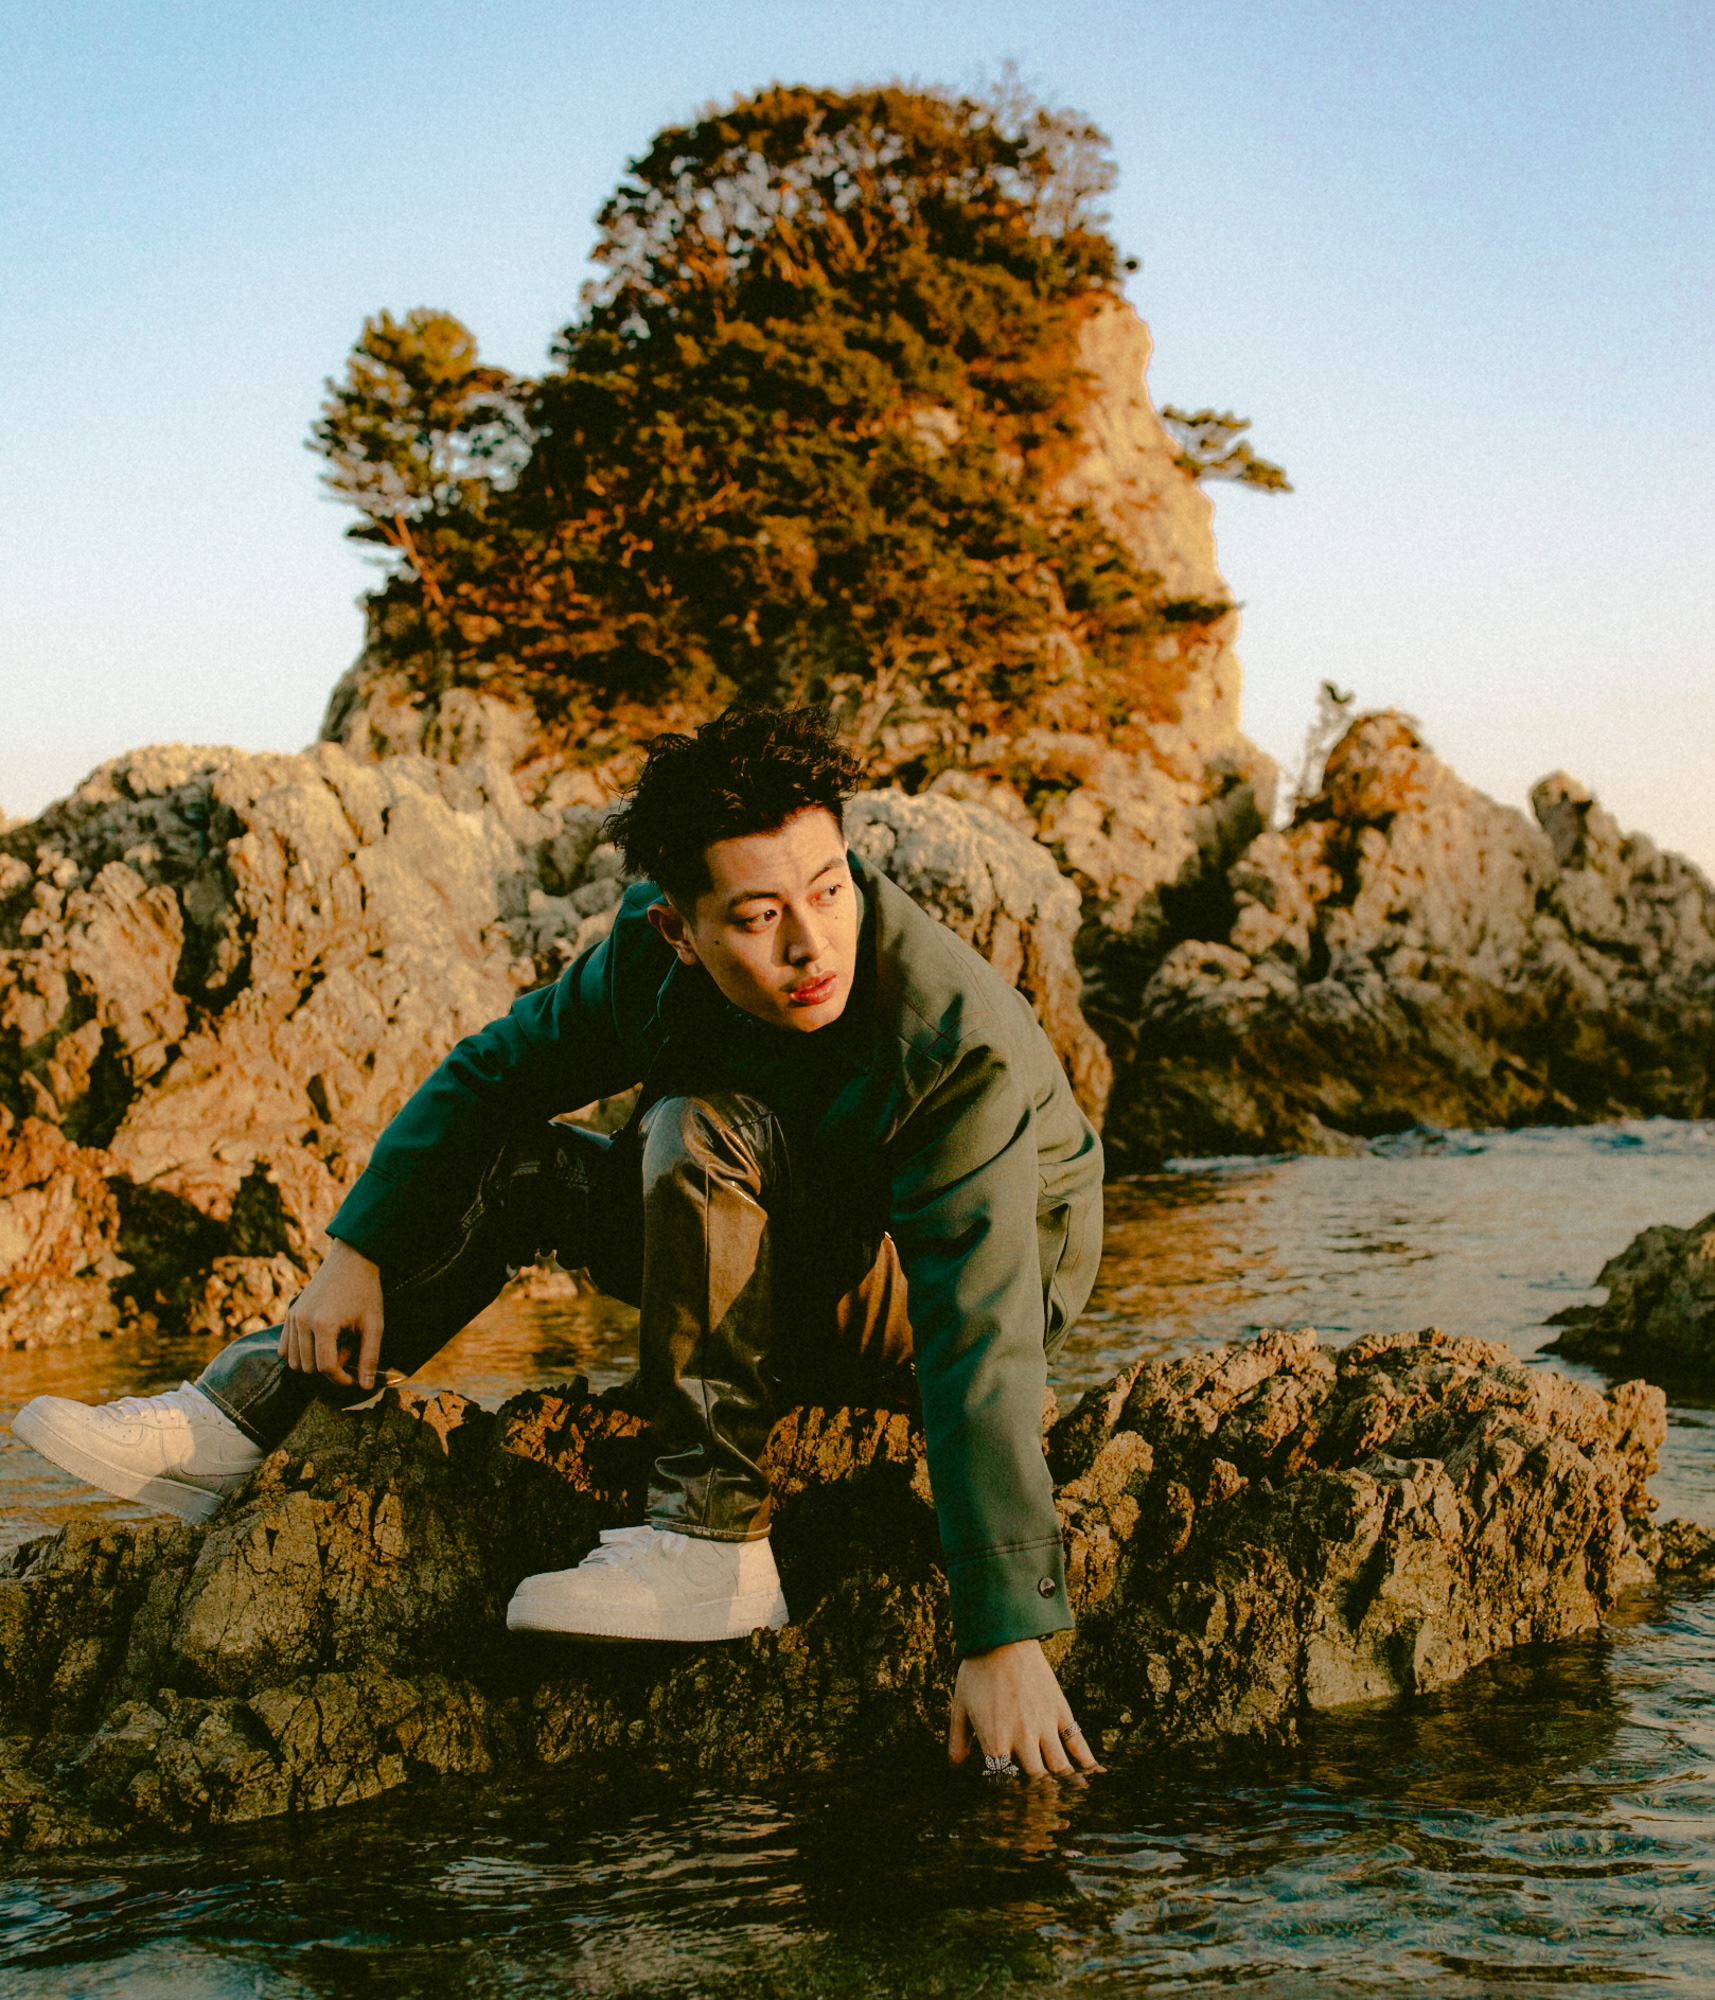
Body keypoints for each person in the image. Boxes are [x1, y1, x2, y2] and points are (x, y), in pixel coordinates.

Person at [14, 707, 1104, 1778]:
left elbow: (982, 1329)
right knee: (528, 1160)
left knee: (698, 1128)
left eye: (829, 890)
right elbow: (492, 1073)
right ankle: (249, 1413)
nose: (810, 944)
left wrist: (1000, 1632)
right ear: (678, 929)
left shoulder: (945, 1038)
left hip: (932, 1297)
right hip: (779, 1236)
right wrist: (355, 1253)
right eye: (757, 915)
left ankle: (712, 1541)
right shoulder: (645, 959)